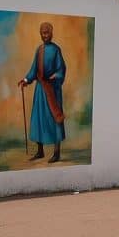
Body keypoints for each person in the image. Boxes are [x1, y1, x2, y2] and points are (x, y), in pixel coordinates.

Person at [17, 22, 67, 163]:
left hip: (52, 89)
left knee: (55, 118)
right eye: (43, 33)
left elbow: (61, 69)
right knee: (38, 119)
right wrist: (26, 80)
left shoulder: (56, 50)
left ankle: (57, 153)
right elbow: (34, 70)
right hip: (40, 90)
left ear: (51, 33)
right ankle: (40, 151)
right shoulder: (39, 50)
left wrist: (55, 76)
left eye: (47, 32)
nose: (45, 35)